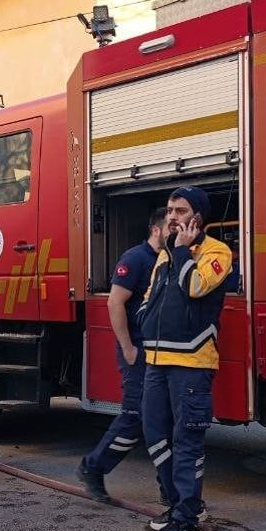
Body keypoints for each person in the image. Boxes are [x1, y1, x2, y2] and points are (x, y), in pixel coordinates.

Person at [138, 187, 233, 531]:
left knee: (187, 439)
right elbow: (148, 301)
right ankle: (177, 501)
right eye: (169, 210)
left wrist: (181, 251)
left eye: (180, 210)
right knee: (154, 432)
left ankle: (187, 519)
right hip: (157, 361)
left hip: (192, 363)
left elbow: (194, 287)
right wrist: (145, 322)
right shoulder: (164, 256)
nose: (172, 216)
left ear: (198, 218)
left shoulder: (217, 252)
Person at [77, 207, 167, 503]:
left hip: (161, 352)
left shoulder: (168, 260)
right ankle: (93, 467)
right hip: (138, 351)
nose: (178, 230)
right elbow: (115, 303)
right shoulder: (135, 259)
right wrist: (128, 347)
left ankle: (170, 489)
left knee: (165, 418)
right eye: (172, 226)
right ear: (156, 230)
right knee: (135, 415)